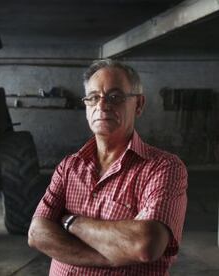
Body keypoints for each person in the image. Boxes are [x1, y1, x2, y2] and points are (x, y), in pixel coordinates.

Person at [28, 59, 187, 275]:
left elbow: (146, 244)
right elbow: (37, 234)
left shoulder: (163, 168)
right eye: (93, 97)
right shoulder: (69, 167)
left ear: (138, 105)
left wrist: (71, 221)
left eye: (115, 97)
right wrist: (110, 258)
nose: (102, 105)